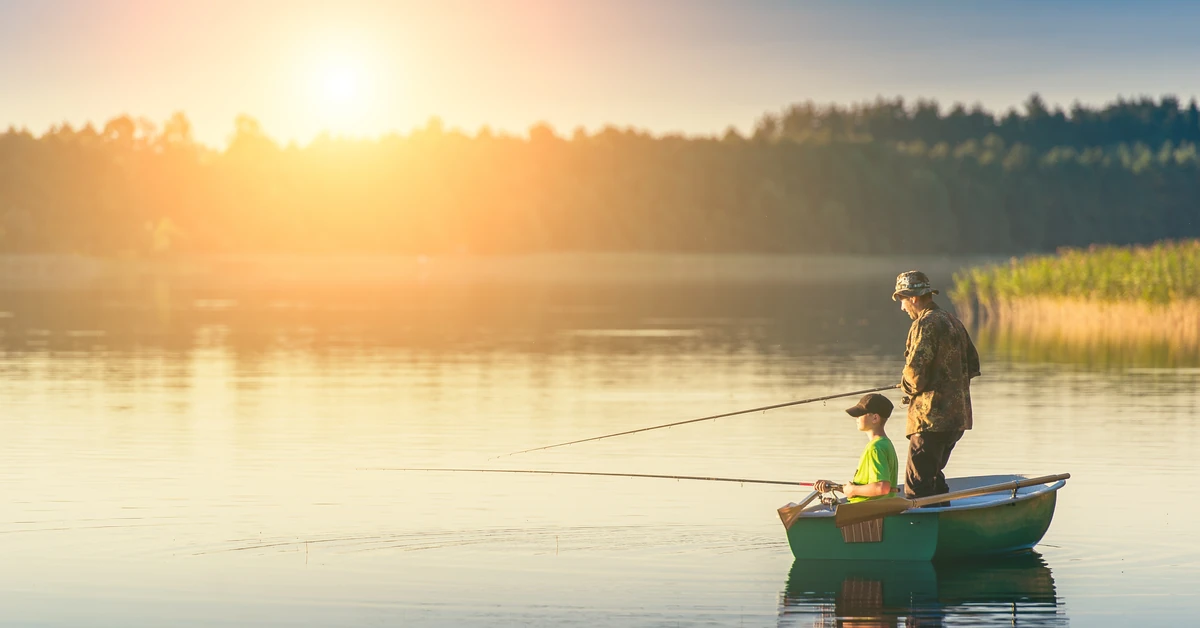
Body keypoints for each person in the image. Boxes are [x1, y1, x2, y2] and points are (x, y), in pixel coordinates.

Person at [892, 270, 981, 501]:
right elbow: (973, 365)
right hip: (956, 420)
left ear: (913, 297)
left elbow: (914, 376)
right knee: (933, 478)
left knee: (917, 489)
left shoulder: (925, 323)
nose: (902, 308)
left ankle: (921, 533)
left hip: (929, 420)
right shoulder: (953, 321)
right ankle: (945, 527)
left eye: (902, 300)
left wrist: (905, 386)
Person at [813, 393, 899, 503]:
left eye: (860, 414)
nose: (856, 418)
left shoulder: (875, 448)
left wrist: (853, 489)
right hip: (873, 512)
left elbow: (882, 487)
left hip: (868, 516)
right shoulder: (885, 444)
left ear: (875, 418)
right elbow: (867, 489)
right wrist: (835, 486)